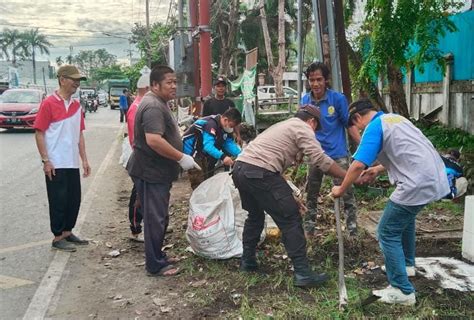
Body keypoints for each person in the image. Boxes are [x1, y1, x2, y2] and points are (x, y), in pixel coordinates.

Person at [331, 99, 450, 305]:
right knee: (405, 219)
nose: (356, 130)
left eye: (354, 125)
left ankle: (402, 290)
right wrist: (377, 169)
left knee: (386, 232)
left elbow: (358, 165)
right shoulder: (395, 119)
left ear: (358, 118)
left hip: (416, 182)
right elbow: (407, 152)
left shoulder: (373, 127)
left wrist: (340, 189)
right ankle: (406, 265)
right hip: (433, 175)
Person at [232, 104, 347, 288]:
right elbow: (319, 159)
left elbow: (271, 172)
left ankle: (248, 262)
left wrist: (290, 196)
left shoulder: (282, 126)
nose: (315, 133)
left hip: (240, 169)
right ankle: (302, 273)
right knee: (291, 218)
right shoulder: (302, 127)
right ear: (312, 121)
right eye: (316, 128)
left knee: (255, 216)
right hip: (259, 172)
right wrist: (346, 175)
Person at [127, 65, 201, 277]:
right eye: (169, 82)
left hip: (157, 171)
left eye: (175, 82)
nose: (174, 86)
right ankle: (154, 264)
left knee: (159, 216)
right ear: (155, 85)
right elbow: (153, 140)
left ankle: (158, 255)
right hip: (150, 172)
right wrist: (181, 157)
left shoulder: (159, 103)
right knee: (154, 218)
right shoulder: (153, 106)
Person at [33, 65, 91, 252]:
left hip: (72, 161)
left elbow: (79, 134)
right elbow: (39, 132)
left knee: (73, 199)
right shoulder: (49, 103)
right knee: (58, 200)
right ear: (62, 79)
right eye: (74, 79)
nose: (77, 83)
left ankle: (67, 232)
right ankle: (58, 237)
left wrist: (84, 160)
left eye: (78, 80)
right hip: (56, 162)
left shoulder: (76, 106)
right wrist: (45, 160)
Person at [300, 62, 361, 236]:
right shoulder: (305, 101)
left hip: (338, 155)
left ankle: (352, 232)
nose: (316, 84)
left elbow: (348, 125)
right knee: (311, 195)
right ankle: (309, 231)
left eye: (319, 79)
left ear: (326, 80)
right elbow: (301, 129)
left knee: (347, 194)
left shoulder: (338, 99)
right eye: (312, 80)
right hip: (315, 155)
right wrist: (298, 153)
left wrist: (364, 148)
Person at [183, 108, 242, 189]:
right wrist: (223, 157)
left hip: (201, 150)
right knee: (198, 177)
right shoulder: (211, 124)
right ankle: (199, 199)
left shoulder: (224, 128)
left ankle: (204, 197)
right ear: (225, 120)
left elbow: (228, 143)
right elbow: (208, 146)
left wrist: (241, 154)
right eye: (231, 126)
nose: (231, 128)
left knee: (206, 175)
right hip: (191, 149)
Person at [125, 72, 150, 242]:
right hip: (141, 158)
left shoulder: (142, 106)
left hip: (146, 157)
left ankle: (144, 225)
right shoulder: (136, 108)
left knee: (145, 193)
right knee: (139, 195)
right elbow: (135, 138)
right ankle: (135, 228)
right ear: (148, 88)